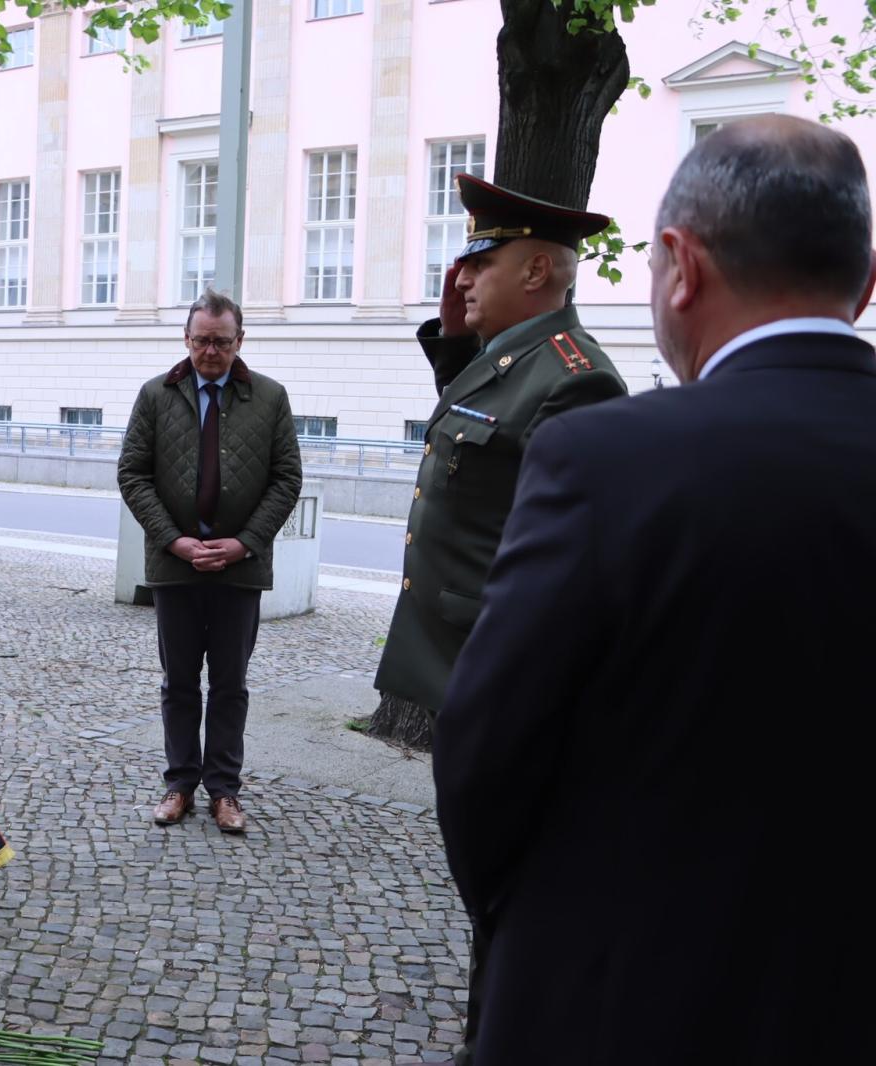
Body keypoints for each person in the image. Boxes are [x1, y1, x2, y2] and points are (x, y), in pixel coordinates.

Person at [433, 115, 876, 1064]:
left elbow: (486, 751)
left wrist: (538, 918)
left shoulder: (609, 455)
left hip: (627, 995)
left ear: (680, 265)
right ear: (866, 283)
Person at [375, 175, 628, 729]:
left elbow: (566, 561)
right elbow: (474, 420)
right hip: (461, 661)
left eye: (480, 263)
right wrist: (452, 336)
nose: (461, 278)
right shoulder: (513, 359)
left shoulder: (575, 380)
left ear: (536, 271)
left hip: (503, 669)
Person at [118, 289, 302, 834]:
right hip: (175, 567)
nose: (210, 352)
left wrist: (244, 542)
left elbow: (287, 478)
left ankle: (224, 790)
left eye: (222, 342)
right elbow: (132, 473)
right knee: (178, 681)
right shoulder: (156, 395)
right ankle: (180, 784)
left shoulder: (269, 398)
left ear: (239, 341)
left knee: (229, 683)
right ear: (186, 339)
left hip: (240, 569)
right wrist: (173, 539)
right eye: (201, 341)